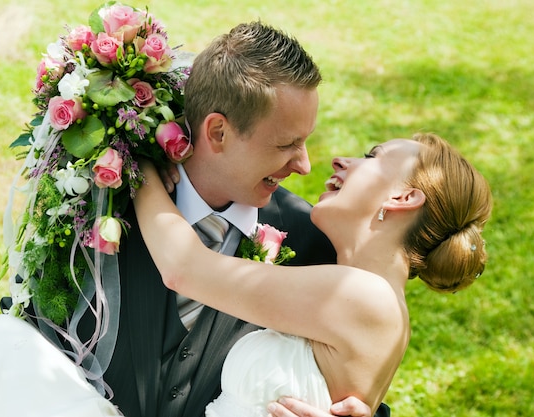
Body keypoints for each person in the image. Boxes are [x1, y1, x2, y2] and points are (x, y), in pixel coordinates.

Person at [85, 21, 388, 417]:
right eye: (287, 144)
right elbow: (41, 325)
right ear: (218, 133)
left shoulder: (311, 241)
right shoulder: (102, 196)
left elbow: (345, 373)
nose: (305, 165)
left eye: (305, 140)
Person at [132, 133, 493, 416]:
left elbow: (185, 268)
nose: (341, 160)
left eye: (373, 157)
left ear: (402, 198)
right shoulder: (368, 297)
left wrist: (136, 160)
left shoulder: (364, 296)